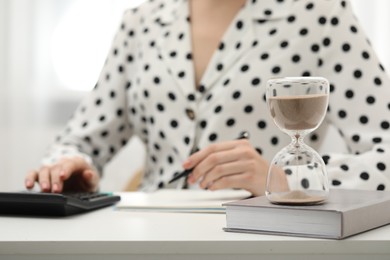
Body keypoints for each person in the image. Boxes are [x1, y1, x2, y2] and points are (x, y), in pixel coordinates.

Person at [25, 0, 390, 196]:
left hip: (265, 239)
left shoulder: (320, 14)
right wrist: (68, 169)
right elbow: (79, 141)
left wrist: (284, 179)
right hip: (147, 239)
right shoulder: (140, 22)